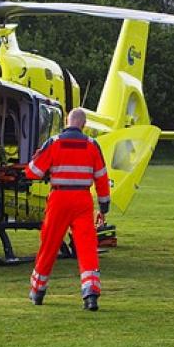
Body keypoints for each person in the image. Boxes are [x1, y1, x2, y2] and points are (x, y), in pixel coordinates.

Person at [24, 108, 110, 311]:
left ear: (66, 121)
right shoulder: (92, 145)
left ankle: (38, 291)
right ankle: (90, 295)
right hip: (82, 199)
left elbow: (34, 171)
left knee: (49, 244)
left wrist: (39, 166)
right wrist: (104, 205)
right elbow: (102, 177)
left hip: (59, 198)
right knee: (86, 246)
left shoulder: (54, 142)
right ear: (84, 124)